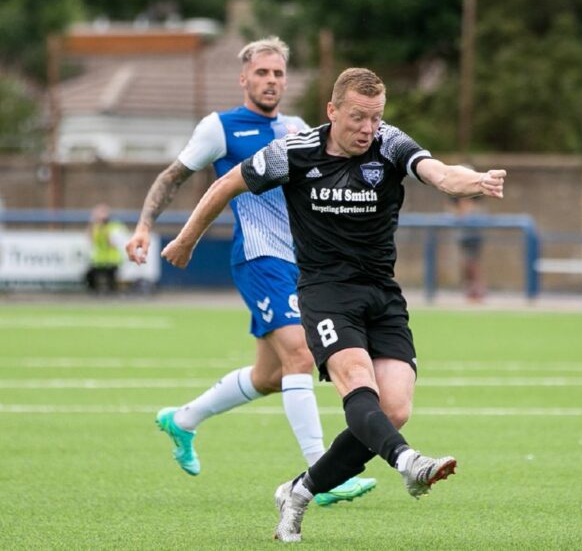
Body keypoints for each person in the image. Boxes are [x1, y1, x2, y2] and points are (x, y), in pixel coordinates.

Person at [161, 67, 506, 543]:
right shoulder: (295, 152)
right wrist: (185, 239)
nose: (368, 128)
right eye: (358, 118)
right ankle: (408, 462)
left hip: (382, 294)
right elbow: (225, 185)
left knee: (395, 409)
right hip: (326, 294)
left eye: (376, 117)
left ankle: (299, 491)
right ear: (332, 111)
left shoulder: (389, 144)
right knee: (358, 386)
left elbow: (440, 173)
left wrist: (473, 182)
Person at [124, 37, 375, 506]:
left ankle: (182, 420)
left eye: (278, 73)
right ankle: (325, 476)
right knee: (301, 355)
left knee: (272, 375)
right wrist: (143, 227)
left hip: (301, 262)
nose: (270, 81)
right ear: (244, 78)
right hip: (260, 258)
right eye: (261, 73)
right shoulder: (219, 128)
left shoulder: (298, 127)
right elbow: (172, 176)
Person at [86, 203, 126, 294]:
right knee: (89, 276)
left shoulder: (115, 226)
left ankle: (112, 295)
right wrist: (92, 224)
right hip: (99, 260)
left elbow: (113, 243)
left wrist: (104, 229)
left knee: (111, 280)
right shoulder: (96, 227)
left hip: (112, 260)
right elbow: (91, 240)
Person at [452, 195, 486, 301]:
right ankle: (471, 290)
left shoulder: (475, 207)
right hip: (464, 238)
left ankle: (479, 291)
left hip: (473, 238)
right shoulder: (457, 203)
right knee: (466, 265)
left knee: (473, 265)